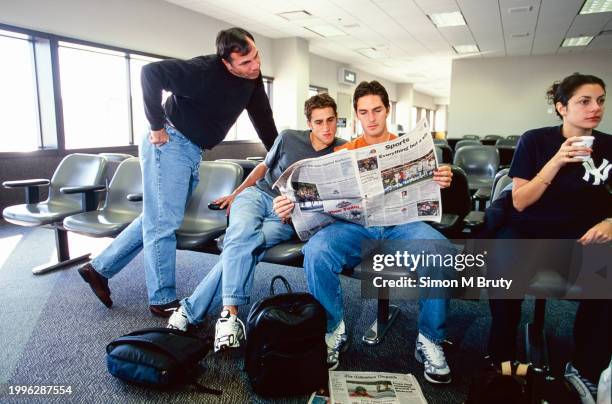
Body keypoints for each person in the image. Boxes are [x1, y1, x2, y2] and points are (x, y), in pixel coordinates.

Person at [78, 27, 279, 317]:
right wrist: (156, 125)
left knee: (157, 217)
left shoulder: (252, 77)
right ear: (226, 62)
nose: (255, 66)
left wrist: (277, 155)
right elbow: (150, 74)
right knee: (164, 223)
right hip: (170, 142)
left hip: (191, 150)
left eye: (256, 57)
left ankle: (98, 269)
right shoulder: (202, 70)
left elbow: (263, 117)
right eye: (246, 63)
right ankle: (162, 299)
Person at [274, 81, 455, 382]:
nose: (371, 118)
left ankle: (430, 340)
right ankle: (334, 331)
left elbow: (428, 195)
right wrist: (289, 205)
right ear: (357, 115)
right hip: (355, 228)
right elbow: (321, 203)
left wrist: (442, 178)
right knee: (316, 250)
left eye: (377, 110)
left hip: (401, 226)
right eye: (364, 112)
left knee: (439, 251)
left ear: (388, 110)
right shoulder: (343, 153)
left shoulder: (411, 148)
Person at [166, 93, 346, 352]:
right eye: (319, 122)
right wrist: (237, 193)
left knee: (240, 245)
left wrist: (299, 212)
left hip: (286, 215)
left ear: (337, 120)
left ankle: (192, 310)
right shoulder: (287, 138)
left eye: (331, 120)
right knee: (240, 237)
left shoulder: (342, 150)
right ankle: (229, 314)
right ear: (309, 123)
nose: (326, 127)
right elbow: (263, 167)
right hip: (257, 195)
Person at [486, 73, 611, 403]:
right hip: (528, 231)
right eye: (584, 101)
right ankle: (499, 355)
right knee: (503, 267)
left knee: (608, 275)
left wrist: (611, 222)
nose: (595, 108)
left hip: (582, 237)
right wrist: (557, 160)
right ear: (561, 107)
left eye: (600, 100)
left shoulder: (611, 146)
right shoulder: (535, 141)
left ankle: (585, 366)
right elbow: (520, 201)